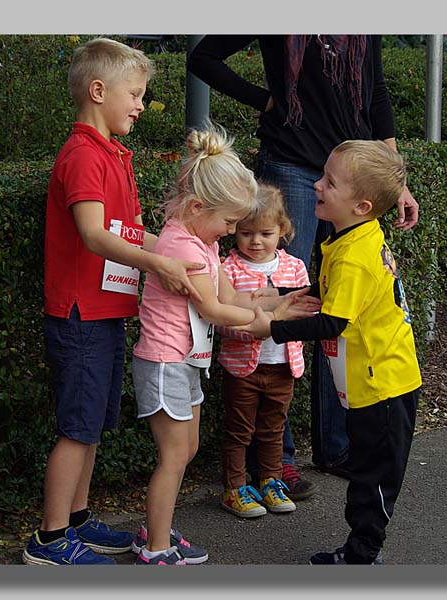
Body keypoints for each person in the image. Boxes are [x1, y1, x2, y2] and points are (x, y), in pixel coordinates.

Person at [188, 35, 420, 494]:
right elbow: (204, 57)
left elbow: (375, 91)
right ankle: (277, 463)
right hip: (294, 163)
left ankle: (338, 445)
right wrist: (268, 101)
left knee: (335, 312)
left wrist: (396, 181)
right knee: (289, 296)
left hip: (353, 177)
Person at [22, 37, 207, 566]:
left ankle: (76, 520)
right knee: (77, 428)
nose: (141, 105)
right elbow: (94, 234)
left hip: (104, 313)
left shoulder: (112, 153)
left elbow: (132, 233)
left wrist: (183, 256)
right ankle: (51, 537)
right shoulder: (83, 153)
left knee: (94, 423)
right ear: (98, 91)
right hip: (79, 313)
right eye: (136, 94)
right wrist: (159, 265)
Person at [130, 122, 321, 565]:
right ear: (198, 207)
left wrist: (280, 301)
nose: (232, 230)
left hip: (185, 361)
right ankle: (155, 547)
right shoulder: (185, 246)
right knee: (175, 455)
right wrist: (270, 322)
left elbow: (233, 296)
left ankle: (156, 531)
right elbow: (217, 309)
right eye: (230, 223)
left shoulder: (200, 240)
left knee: (187, 448)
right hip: (165, 361)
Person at [240, 140, 421, 564]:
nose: (317, 184)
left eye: (329, 182)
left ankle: (361, 557)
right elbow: (329, 295)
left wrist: (273, 326)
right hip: (372, 383)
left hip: (384, 388)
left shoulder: (355, 256)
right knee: (367, 473)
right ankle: (361, 552)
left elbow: (332, 321)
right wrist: (280, 294)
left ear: (360, 205)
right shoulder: (353, 235)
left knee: (372, 481)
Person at [215, 184, 310, 519]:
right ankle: (235, 488)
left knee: (273, 428)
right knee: (240, 430)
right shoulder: (226, 270)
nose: (255, 241)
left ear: (282, 230)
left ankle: (270, 480)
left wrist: (282, 323)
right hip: (243, 368)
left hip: (283, 366)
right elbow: (219, 322)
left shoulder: (295, 268)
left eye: (265, 233)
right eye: (246, 233)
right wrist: (256, 326)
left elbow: (304, 316)